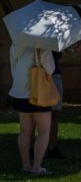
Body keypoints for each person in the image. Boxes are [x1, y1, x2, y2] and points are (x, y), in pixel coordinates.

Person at [9, 44, 55, 175]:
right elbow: (50, 69)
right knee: (44, 131)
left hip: (19, 91)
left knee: (24, 130)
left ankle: (25, 166)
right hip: (38, 92)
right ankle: (36, 167)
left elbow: (13, 66)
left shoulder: (16, 43)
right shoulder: (43, 44)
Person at [46, 51, 65, 159]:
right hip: (51, 75)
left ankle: (51, 147)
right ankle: (51, 147)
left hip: (42, 75)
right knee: (53, 115)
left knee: (50, 115)